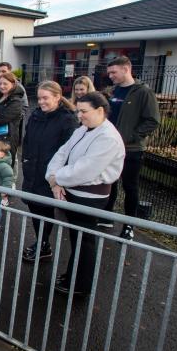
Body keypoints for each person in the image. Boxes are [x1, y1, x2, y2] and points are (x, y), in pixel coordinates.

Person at [46, 92, 125, 295]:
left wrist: (57, 178)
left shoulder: (108, 138)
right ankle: (73, 276)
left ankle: (80, 284)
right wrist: (53, 177)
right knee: (77, 238)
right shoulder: (83, 129)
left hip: (90, 197)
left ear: (100, 111)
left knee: (84, 241)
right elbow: (62, 152)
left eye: (83, 111)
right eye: (77, 111)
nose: (79, 115)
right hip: (72, 189)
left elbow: (85, 170)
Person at [20, 81, 79, 262]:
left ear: (57, 97)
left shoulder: (67, 120)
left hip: (50, 175)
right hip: (33, 170)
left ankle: (43, 243)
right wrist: (26, 160)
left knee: (45, 210)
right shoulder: (36, 115)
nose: (41, 102)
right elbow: (27, 140)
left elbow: (68, 150)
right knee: (34, 207)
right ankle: (42, 241)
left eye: (45, 98)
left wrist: (57, 176)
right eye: (39, 98)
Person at [103, 56, 160, 240]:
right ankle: (107, 216)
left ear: (126, 69)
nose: (110, 76)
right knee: (110, 182)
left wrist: (132, 136)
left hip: (132, 149)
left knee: (130, 187)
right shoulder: (114, 91)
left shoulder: (143, 92)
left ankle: (129, 225)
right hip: (111, 147)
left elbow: (152, 120)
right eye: (109, 72)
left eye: (114, 72)